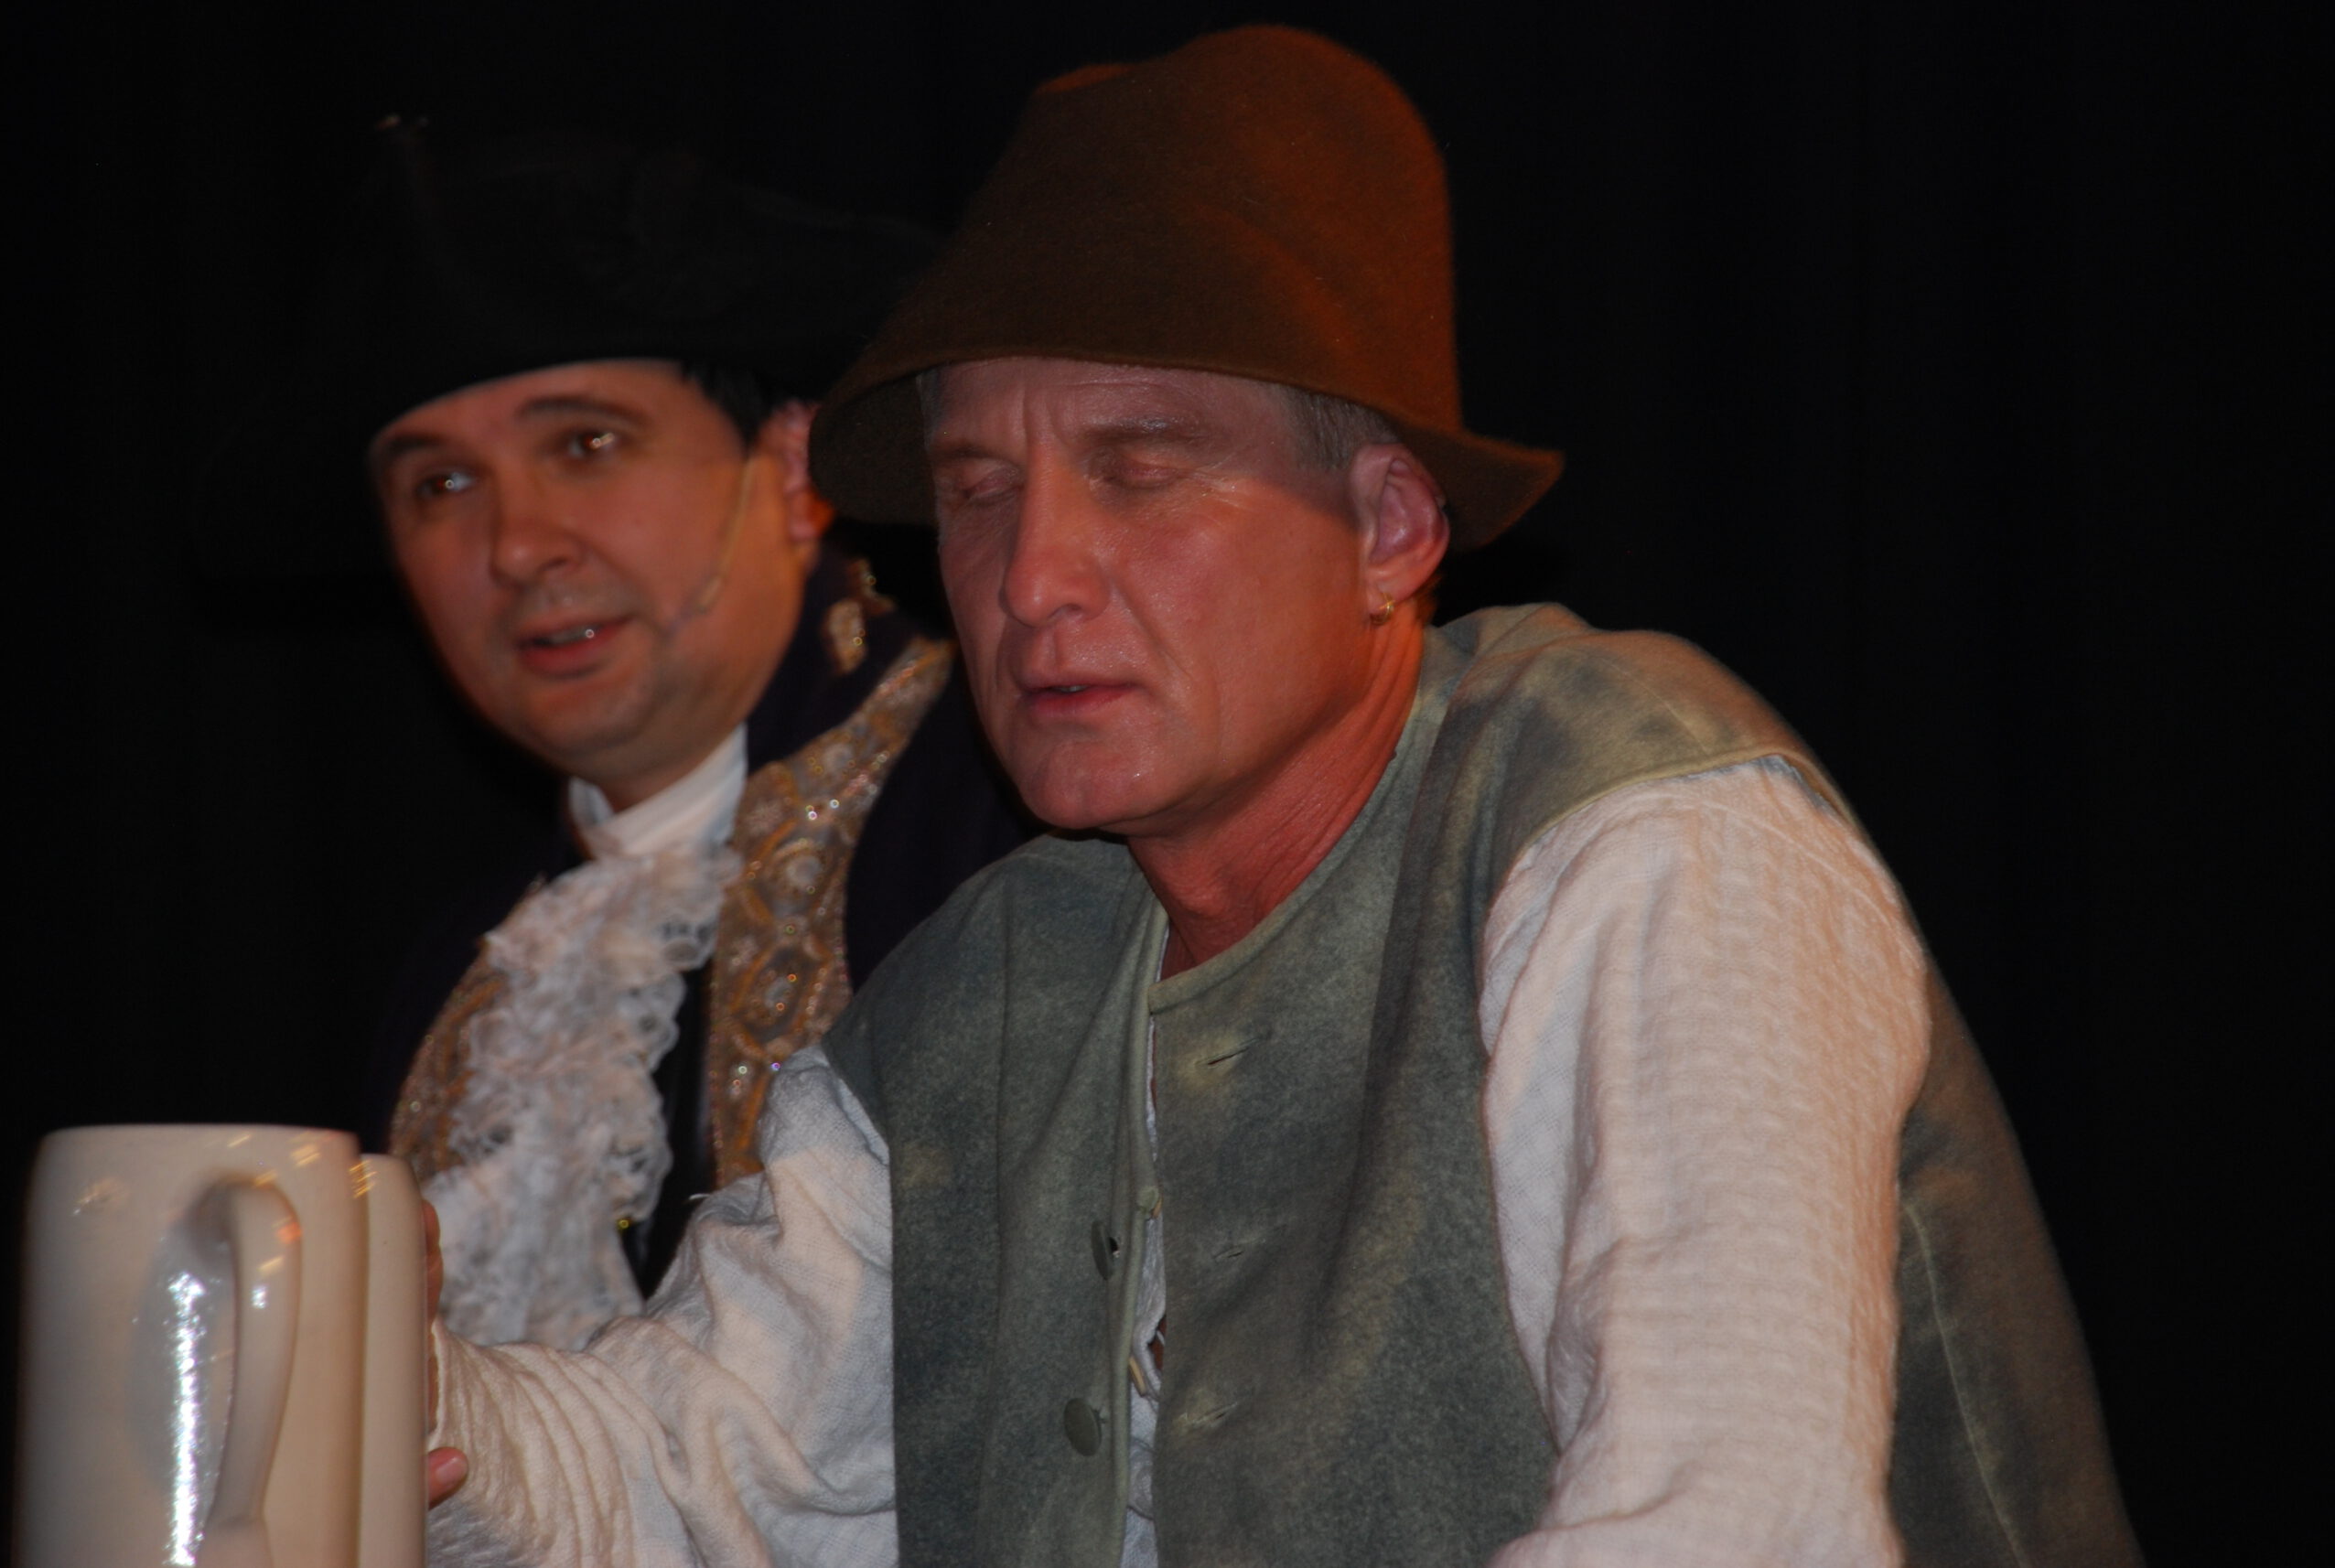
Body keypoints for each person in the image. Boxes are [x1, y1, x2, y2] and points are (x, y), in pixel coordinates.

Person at [421, 28, 2140, 1566]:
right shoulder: (983, 989)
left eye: (1140, 470)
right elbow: (669, 1467)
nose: (1031, 578)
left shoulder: (1638, 825)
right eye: (980, 490)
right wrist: (380, 1381)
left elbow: (1732, 1527)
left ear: (1389, 529)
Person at [323, 129, 1029, 1351]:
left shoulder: (1002, 814)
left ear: (795, 466)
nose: (516, 545)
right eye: (441, 484)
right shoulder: (463, 973)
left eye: (586, 444)